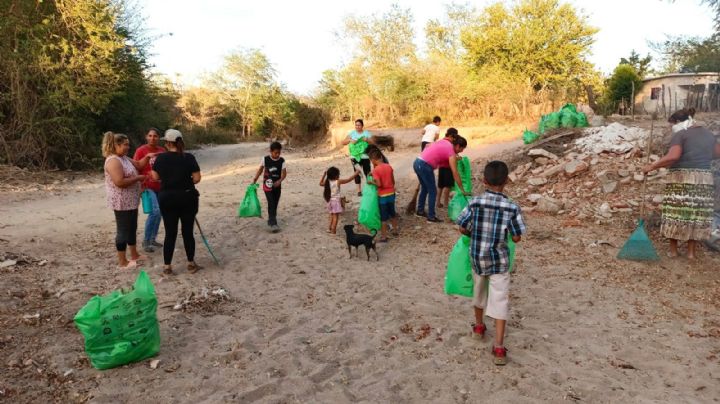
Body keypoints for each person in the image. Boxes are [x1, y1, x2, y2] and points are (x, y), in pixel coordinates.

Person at [456, 160, 526, 366]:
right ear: (506, 181)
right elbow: (516, 238)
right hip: (500, 261)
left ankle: (478, 327)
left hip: (478, 257)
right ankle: (498, 347)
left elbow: (461, 226)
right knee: (500, 300)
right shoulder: (512, 207)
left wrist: (472, 232)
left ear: (484, 181)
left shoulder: (475, 203)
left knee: (478, 292)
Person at [642, 108, 720, 259]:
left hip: (682, 178)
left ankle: (673, 251)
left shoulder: (680, 134)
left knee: (676, 213)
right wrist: (699, 156)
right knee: (696, 215)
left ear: (677, 122)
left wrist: (651, 166)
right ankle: (691, 253)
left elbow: (673, 156)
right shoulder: (708, 134)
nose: (671, 128)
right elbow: (717, 153)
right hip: (703, 179)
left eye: (671, 125)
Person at [151, 129, 202, 275]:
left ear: (167, 143)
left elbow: (155, 177)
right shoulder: (189, 157)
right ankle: (191, 264)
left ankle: (167, 266)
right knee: (187, 232)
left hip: (167, 198)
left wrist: (169, 179)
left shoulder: (160, 158)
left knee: (170, 233)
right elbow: (197, 178)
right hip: (187, 197)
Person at [102, 131, 155, 269]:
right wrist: (138, 178)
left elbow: (138, 164)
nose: (127, 147)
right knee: (123, 230)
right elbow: (119, 182)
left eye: (128, 145)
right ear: (116, 145)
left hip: (131, 199)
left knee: (132, 227)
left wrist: (148, 157)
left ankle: (134, 254)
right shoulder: (113, 160)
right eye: (125, 145)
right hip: (121, 201)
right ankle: (122, 261)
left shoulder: (124, 158)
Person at [413, 133, 468, 222]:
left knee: (425, 188)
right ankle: (431, 217)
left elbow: (427, 145)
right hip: (425, 166)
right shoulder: (451, 152)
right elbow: (455, 172)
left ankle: (420, 211)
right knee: (432, 191)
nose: (461, 151)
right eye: (462, 149)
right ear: (457, 146)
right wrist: (462, 189)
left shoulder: (446, 142)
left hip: (417, 161)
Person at [133, 128, 166, 253]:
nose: (153, 138)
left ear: (159, 137)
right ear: (146, 137)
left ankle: (152, 239)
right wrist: (139, 186)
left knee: (160, 213)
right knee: (155, 211)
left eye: (155, 136)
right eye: (150, 136)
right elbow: (135, 167)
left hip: (161, 187)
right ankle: (146, 240)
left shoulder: (162, 151)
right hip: (147, 186)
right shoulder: (141, 151)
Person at [252, 141, 287, 232]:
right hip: (267, 186)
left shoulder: (281, 160)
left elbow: (284, 173)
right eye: (276, 153)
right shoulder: (265, 159)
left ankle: (271, 219)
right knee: (271, 202)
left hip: (277, 186)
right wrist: (255, 179)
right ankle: (273, 223)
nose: (277, 154)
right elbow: (260, 170)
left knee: (275, 204)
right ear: (270, 151)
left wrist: (279, 181)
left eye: (279, 152)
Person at [368, 148, 399, 242]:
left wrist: (371, 182)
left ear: (373, 160)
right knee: (392, 213)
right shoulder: (389, 167)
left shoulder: (375, 170)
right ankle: (395, 231)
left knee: (383, 217)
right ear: (381, 157)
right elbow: (393, 181)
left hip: (383, 197)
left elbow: (379, 184)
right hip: (391, 194)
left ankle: (384, 236)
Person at [320, 167, 361, 234]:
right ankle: (333, 231)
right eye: (338, 174)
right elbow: (348, 179)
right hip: (336, 202)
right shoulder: (338, 181)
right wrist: (356, 173)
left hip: (330, 201)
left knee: (331, 215)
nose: (339, 175)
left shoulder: (327, 182)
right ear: (336, 175)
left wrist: (324, 175)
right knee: (336, 216)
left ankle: (329, 228)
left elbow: (320, 183)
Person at [341, 119, 374, 196]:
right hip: (354, 157)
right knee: (357, 173)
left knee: (367, 172)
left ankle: (369, 189)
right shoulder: (352, 133)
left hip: (365, 156)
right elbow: (343, 142)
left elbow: (373, 142)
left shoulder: (366, 133)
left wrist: (367, 140)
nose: (357, 126)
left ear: (362, 126)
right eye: (356, 125)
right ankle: (359, 191)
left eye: (359, 125)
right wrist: (350, 140)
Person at [437, 128, 459, 209]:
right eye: (454, 136)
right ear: (451, 135)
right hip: (447, 166)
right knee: (448, 186)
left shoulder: (441, 141)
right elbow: (451, 156)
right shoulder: (449, 143)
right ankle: (446, 204)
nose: (455, 138)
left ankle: (438, 202)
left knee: (440, 185)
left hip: (441, 166)